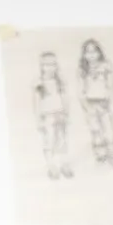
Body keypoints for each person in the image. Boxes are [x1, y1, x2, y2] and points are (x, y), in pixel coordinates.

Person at [31, 52, 72, 180]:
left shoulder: (59, 81)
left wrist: (66, 113)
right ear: (41, 66)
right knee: (49, 142)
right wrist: (38, 119)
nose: (50, 67)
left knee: (62, 140)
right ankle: (51, 166)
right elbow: (36, 102)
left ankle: (63, 164)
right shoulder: (39, 83)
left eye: (53, 64)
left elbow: (65, 98)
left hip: (60, 114)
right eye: (47, 65)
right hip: (47, 116)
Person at [76, 38, 113, 167]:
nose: (91, 55)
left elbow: (111, 85)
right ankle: (100, 156)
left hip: (104, 103)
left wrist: (108, 100)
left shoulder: (106, 65)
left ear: (99, 53)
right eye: (87, 52)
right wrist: (86, 106)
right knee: (95, 130)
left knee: (108, 130)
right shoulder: (82, 69)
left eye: (94, 51)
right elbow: (80, 90)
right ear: (84, 54)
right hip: (90, 104)